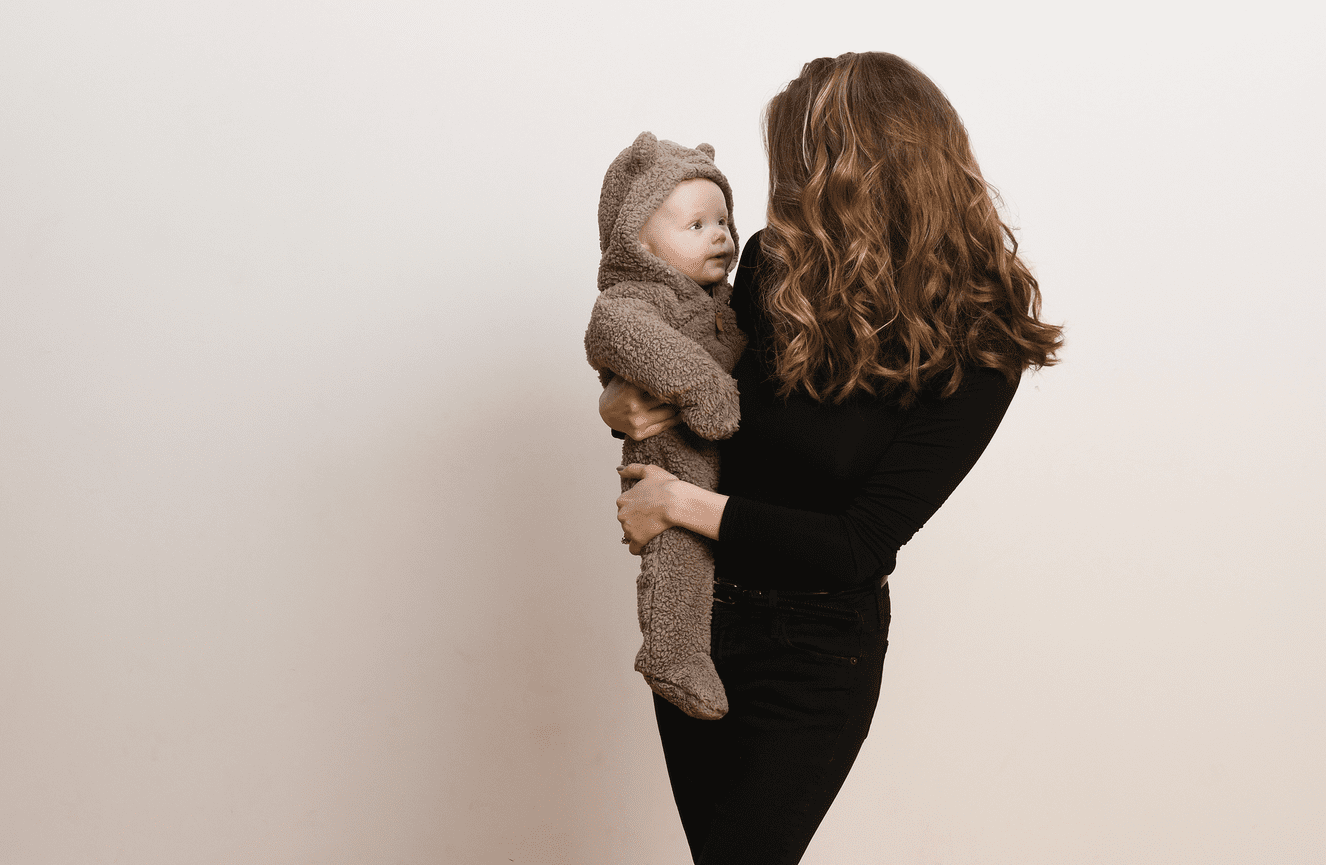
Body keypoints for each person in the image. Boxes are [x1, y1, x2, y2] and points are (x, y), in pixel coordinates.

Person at [601, 52, 1064, 864]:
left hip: (815, 650)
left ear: (861, 172)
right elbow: (687, 360)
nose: (781, 191)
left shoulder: (984, 346)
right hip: (697, 617)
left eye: (798, 166)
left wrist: (679, 505)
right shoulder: (774, 266)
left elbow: (857, 545)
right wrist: (619, 400)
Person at [586, 132, 747, 720]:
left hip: (727, 479)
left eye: (722, 220)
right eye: (696, 226)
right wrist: (703, 388)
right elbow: (623, 336)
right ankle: (671, 654)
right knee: (680, 555)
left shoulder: (724, 300)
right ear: (638, 245)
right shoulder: (633, 297)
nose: (721, 235)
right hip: (672, 459)